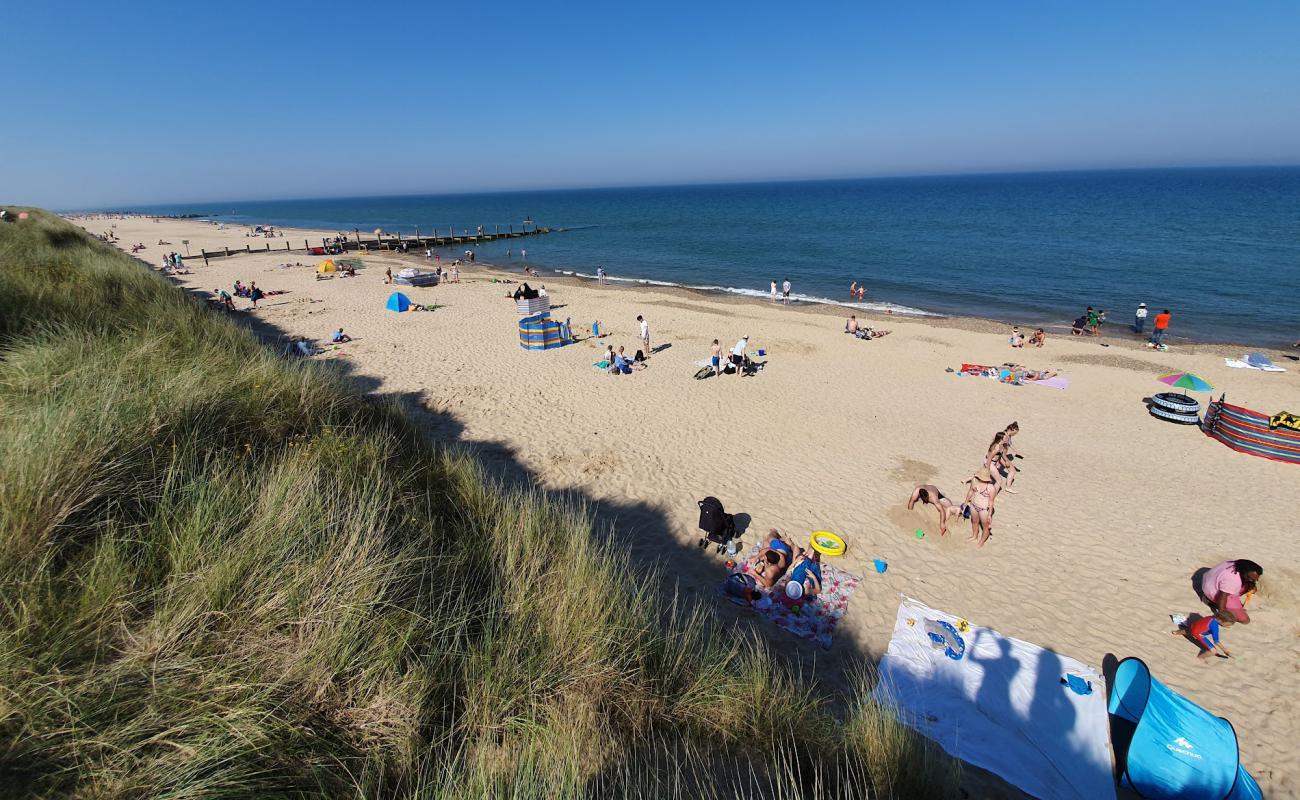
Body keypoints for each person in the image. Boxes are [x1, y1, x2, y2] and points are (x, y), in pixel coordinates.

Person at [1199, 559, 1263, 624]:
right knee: (1245, 620)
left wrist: (1251, 584)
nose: (1256, 580)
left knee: (1250, 586)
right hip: (1214, 593)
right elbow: (1223, 596)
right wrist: (1222, 615)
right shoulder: (1233, 580)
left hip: (1210, 583)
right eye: (1250, 578)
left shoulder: (1236, 564)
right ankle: (1211, 601)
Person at [962, 467, 999, 547]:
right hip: (973, 505)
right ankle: (974, 536)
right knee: (974, 522)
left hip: (984, 509)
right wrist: (965, 502)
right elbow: (970, 492)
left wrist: (989, 515)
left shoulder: (991, 488)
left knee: (985, 526)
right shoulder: (974, 481)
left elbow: (991, 502)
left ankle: (982, 541)